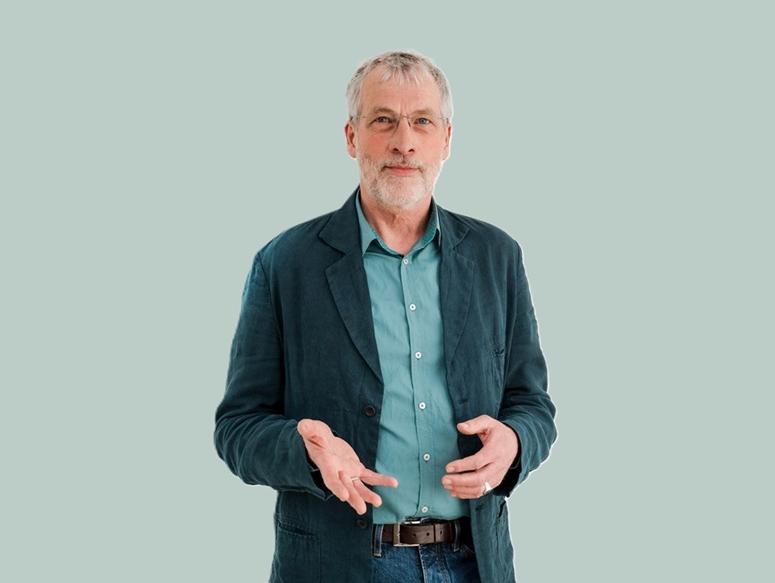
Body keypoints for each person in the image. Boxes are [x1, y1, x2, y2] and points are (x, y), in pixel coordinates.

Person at [214, 49, 556, 582]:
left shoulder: (497, 256)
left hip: (475, 563)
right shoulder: (285, 264)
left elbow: (532, 405)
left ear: (447, 139)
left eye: (422, 121)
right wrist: (305, 451)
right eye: (383, 120)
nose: (404, 141)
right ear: (352, 137)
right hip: (339, 565)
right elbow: (238, 428)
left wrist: (514, 444)